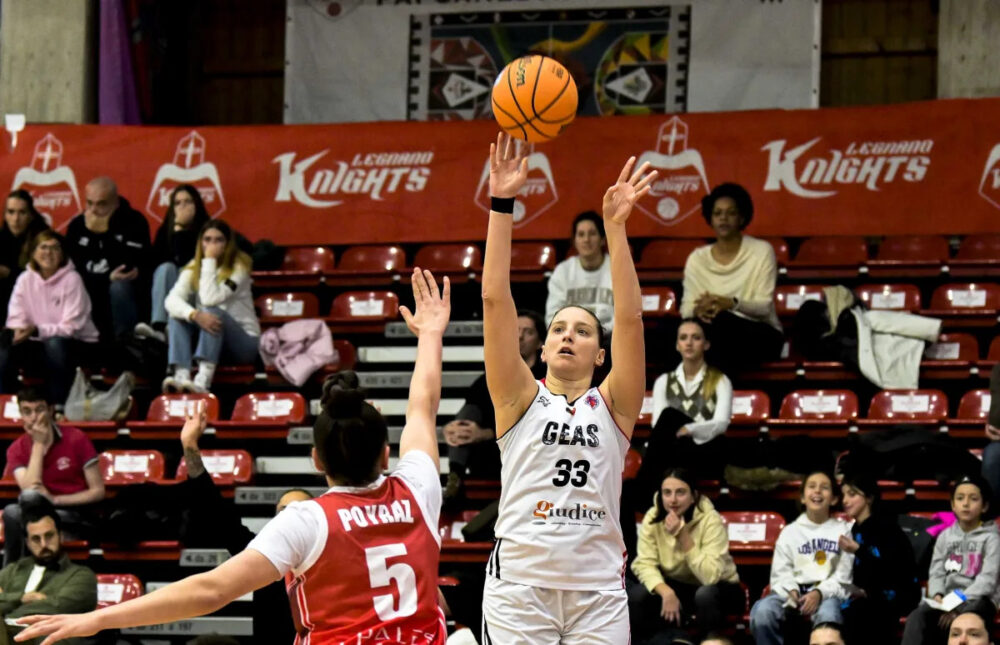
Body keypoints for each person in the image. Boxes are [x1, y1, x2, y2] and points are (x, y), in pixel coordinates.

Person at [13, 266, 451, 645]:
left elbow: (211, 590)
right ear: (386, 452)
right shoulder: (418, 488)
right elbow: (423, 406)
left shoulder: (308, 520)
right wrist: (431, 334)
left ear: (316, 460)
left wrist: (97, 618)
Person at [480, 132, 656, 643]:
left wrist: (615, 230)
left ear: (600, 356)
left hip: (597, 594)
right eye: (558, 328)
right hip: (519, 590)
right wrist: (501, 204)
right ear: (541, 348)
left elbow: (629, 318)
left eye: (582, 331)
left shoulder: (616, 404)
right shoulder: (517, 397)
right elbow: (495, 299)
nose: (567, 336)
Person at [176, 412, 309, 645]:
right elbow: (215, 511)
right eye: (283, 511)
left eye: (298, 510)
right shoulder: (261, 556)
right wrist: (189, 445)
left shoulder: (329, 555)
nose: (291, 518)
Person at [442, 309, 546, 501]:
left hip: (531, 455)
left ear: (540, 343)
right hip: (492, 454)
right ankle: (454, 477)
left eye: (528, 332)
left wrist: (484, 433)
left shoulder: (547, 378)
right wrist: (455, 429)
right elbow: (471, 413)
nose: (520, 337)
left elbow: (536, 426)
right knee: (468, 412)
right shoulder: (490, 378)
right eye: (516, 330)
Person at [629, 468, 742, 641]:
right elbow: (644, 564)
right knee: (638, 596)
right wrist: (666, 592)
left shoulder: (711, 520)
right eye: (667, 493)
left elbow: (710, 576)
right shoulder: (653, 517)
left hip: (720, 588)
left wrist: (683, 537)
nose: (672, 500)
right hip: (677, 586)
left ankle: (709, 641)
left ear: (693, 496)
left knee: (705, 595)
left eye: (680, 492)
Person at [680, 182, 783, 373]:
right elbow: (686, 310)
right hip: (710, 329)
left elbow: (763, 307)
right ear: (710, 219)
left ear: (742, 217)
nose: (723, 218)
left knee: (722, 323)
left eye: (731, 213)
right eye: (717, 213)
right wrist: (699, 309)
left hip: (758, 333)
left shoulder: (761, 251)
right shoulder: (697, 258)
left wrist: (731, 303)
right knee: (675, 331)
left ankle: (718, 392)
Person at [749, 470, 854, 645]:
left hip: (828, 595)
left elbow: (844, 577)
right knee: (763, 611)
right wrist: (791, 591)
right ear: (803, 498)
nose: (817, 491)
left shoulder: (844, 530)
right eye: (812, 486)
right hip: (792, 595)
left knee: (829, 614)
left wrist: (819, 593)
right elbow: (780, 574)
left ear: (834, 499)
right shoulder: (790, 532)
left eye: (824, 487)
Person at [2, 388, 104, 566]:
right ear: (21, 415)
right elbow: (30, 488)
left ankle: (13, 575)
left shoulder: (77, 439)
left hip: (74, 516)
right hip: (35, 518)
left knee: (22, 508)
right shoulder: (16, 449)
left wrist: (55, 500)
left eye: (39, 410)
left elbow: (98, 491)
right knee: (13, 512)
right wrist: (38, 445)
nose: (34, 417)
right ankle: (9, 579)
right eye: (27, 412)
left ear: (50, 411)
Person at [0, 231, 100, 407]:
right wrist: (17, 332)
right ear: (33, 252)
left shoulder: (72, 279)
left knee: (55, 343)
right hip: (37, 341)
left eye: (55, 248)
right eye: (43, 247)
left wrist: (37, 329)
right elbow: (16, 317)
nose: (49, 253)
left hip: (77, 344)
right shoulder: (24, 279)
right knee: (5, 342)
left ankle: (59, 404)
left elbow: (71, 327)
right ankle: (5, 402)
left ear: (62, 254)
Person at [162, 220, 260, 393]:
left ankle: (203, 379)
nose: (212, 245)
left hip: (243, 343)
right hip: (214, 341)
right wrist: (193, 314)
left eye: (218, 240)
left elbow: (210, 300)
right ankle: (181, 375)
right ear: (201, 242)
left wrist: (209, 260)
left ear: (228, 243)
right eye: (207, 239)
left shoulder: (240, 266)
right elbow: (171, 300)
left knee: (212, 312)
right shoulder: (194, 266)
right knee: (178, 315)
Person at [901, 475, 1000, 645]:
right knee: (917, 616)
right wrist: (938, 595)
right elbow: (936, 572)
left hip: (980, 599)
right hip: (947, 600)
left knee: (966, 616)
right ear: (953, 505)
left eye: (973, 498)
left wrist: (957, 602)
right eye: (960, 498)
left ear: (984, 506)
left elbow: (987, 581)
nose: (966, 503)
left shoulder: (992, 538)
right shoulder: (945, 537)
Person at [64, 177, 151, 343]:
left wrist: (104, 232)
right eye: (89, 203)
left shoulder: (134, 221)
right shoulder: (77, 225)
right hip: (87, 287)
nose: (94, 210)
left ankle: (127, 350)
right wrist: (105, 278)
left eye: (101, 204)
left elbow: (127, 267)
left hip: (125, 292)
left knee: (119, 287)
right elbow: (72, 268)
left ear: (116, 202)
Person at [838, 472, 919, 644]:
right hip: (870, 597)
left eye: (852, 494)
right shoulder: (854, 530)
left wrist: (859, 550)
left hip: (898, 594)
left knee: (860, 614)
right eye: (843, 494)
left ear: (869, 498)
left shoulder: (886, 526)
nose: (845, 500)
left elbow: (893, 571)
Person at [0, 503, 96, 645]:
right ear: (27, 542)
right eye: (36, 539)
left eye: (49, 536)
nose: (44, 544)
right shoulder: (13, 570)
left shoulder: (80, 575)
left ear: (61, 536)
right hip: (6, 632)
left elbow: (56, 607)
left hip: (44, 637)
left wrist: (6, 601)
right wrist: (22, 598)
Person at [648, 317, 732, 477]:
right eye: (683, 337)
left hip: (704, 451)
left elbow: (721, 424)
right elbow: (657, 425)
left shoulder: (720, 380)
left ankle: (643, 485)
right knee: (667, 418)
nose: (689, 343)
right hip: (673, 449)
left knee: (670, 416)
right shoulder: (663, 381)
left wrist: (690, 429)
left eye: (696, 337)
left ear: (706, 344)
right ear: (677, 345)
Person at [135, 184, 212, 344]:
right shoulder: (165, 232)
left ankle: (175, 326)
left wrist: (180, 231)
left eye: (188, 201)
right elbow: (158, 263)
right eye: (177, 203)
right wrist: (176, 230)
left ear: (197, 204)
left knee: (183, 270)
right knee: (166, 268)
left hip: (196, 293)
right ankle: (159, 328)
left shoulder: (208, 231)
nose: (183, 206)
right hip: (170, 293)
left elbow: (185, 260)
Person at [545, 210, 615, 332]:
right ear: (575, 241)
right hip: (571, 337)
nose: (586, 239)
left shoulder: (617, 268)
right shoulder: (563, 271)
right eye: (581, 234)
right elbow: (552, 317)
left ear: (603, 239)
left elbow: (626, 315)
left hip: (609, 338)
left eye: (592, 234)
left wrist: (597, 333)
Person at [0, 191, 48, 315]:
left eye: (22, 212)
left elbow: (45, 280)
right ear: (5, 215)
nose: (16, 219)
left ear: (31, 215)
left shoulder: (43, 240)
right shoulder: (2, 237)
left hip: (37, 305)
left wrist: (9, 273)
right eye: (11, 212)